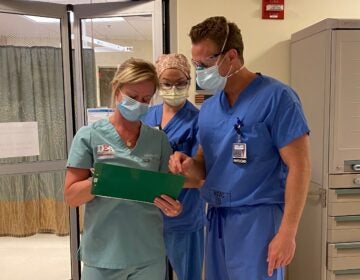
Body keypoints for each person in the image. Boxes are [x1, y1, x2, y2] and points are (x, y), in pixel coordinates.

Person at [169, 16, 311, 280]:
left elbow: (300, 166)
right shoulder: (209, 109)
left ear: (230, 56)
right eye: (195, 64)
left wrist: (287, 232)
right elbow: (203, 164)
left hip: (259, 220)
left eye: (204, 63)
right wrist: (188, 164)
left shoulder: (278, 98)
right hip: (217, 220)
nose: (199, 72)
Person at [64, 58, 182, 280]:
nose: (139, 103)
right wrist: (105, 179)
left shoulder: (158, 140)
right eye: (132, 97)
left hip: (147, 254)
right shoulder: (88, 136)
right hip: (103, 255)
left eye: (146, 99)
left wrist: (173, 208)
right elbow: (71, 197)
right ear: (116, 90)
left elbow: (165, 193)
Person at [142, 54, 205, 280]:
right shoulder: (148, 115)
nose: (173, 88)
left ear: (189, 80)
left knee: (188, 274)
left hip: (184, 217)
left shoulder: (198, 120)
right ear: (158, 85)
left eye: (180, 83)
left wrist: (159, 182)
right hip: (148, 216)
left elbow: (200, 177)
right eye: (167, 84)